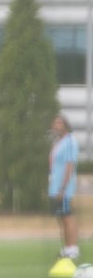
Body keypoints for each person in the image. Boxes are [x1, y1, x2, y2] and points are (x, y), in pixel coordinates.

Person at [49, 113, 80, 263]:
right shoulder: (57, 142)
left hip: (63, 188)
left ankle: (72, 249)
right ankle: (66, 247)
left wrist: (63, 188)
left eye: (60, 123)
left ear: (66, 125)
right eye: (55, 123)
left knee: (67, 216)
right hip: (54, 187)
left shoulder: (70, 141)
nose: (56, 126)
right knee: (60, 217)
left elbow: (69, 165)